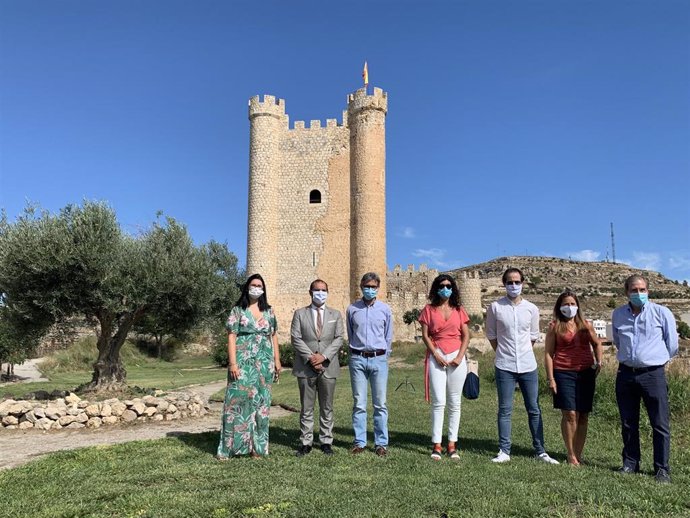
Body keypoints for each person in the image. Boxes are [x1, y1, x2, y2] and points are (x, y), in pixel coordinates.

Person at [485, 267, 559, 464]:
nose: (514, 285)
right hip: (504, 365)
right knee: (505, 408)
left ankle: (540, 450)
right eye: (510, 282)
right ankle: (504, 450)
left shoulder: (532, 309)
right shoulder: (495, 307)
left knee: (534, 408)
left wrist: (523, 351)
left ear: (523, 283)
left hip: (528, 365)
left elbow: (533, 337)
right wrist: (503, 352)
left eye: (517, 282)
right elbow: (492, 336)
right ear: (504, 284)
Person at [612, 274, 678, 483]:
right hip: (625, 374)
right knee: (628, 422)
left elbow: (672, 344)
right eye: (634, 290)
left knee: (659, 423)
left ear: (648, 291)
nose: (638, 293)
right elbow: (618, 342)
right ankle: (631, 463)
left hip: (653, 374)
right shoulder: (618, 315)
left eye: (642, 290)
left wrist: (655, 361)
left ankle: (662, 469)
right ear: (626, 292)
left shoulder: (661, 312)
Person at [216, 274, 281, 459]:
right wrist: (233, 363)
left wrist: (277, 360)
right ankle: (228, 448)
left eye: (260, 285)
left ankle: (257, 448)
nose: (256, 288)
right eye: (253, 285)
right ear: (247, 287)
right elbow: (231, 337)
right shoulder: (237, 310)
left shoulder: (269, 311)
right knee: (236, 403)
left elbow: (274, 335)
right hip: (243, 362)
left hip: (264, 363)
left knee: (261, 404)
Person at [544, 291, 603, 466]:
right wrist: (551, 378)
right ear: (559, 307)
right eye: (565, 304)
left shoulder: (586, 325)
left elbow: (597, 343)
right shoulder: (554, 326)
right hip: (563, 372)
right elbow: (548, 353)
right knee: (570, 414)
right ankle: (570, 454)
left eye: (572, 304)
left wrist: (599, 361)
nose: (569, 307)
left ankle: (578, 454)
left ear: (577, 306)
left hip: (585, 373)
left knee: (583, 415)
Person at [418, 274, 470, 460]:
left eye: (448, 285)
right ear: (436, 288)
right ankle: (437, 444)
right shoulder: (428, 310)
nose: (445, 288)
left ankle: (452, 444)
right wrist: (435, 354)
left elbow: (466, 335)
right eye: (442, 285)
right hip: (437, 355)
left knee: (455, 402)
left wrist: (460, 356)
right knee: (439, 401)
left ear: (453, 288)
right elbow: (425, 335)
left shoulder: (459, 310)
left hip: (457, 356)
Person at [290, 279, 345, 456]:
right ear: (310, 292)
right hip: (306, 367)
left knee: (326, 406)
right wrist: (311, 357)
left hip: (328, 366)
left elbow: (339, 339)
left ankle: (326, 441)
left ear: (328, 292)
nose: (320, 293)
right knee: (306, 406)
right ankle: (306, 442)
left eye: (323, 290)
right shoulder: (300, 313)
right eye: (317, 290)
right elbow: (296, 338)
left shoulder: (335, 314)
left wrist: (324, 356)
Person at [346, 272, 393, 456]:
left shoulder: (385, 310)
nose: (370, 289)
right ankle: (360, 442)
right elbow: (351, 334)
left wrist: (384, 355)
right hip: (357, 358)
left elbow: (388, 335)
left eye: (374, 287)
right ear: (361, 287)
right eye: (367, 286)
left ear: (378, 288)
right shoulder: (352, 309)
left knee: (380, 403)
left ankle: (381, 443)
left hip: (379, 358)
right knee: (359, 402)